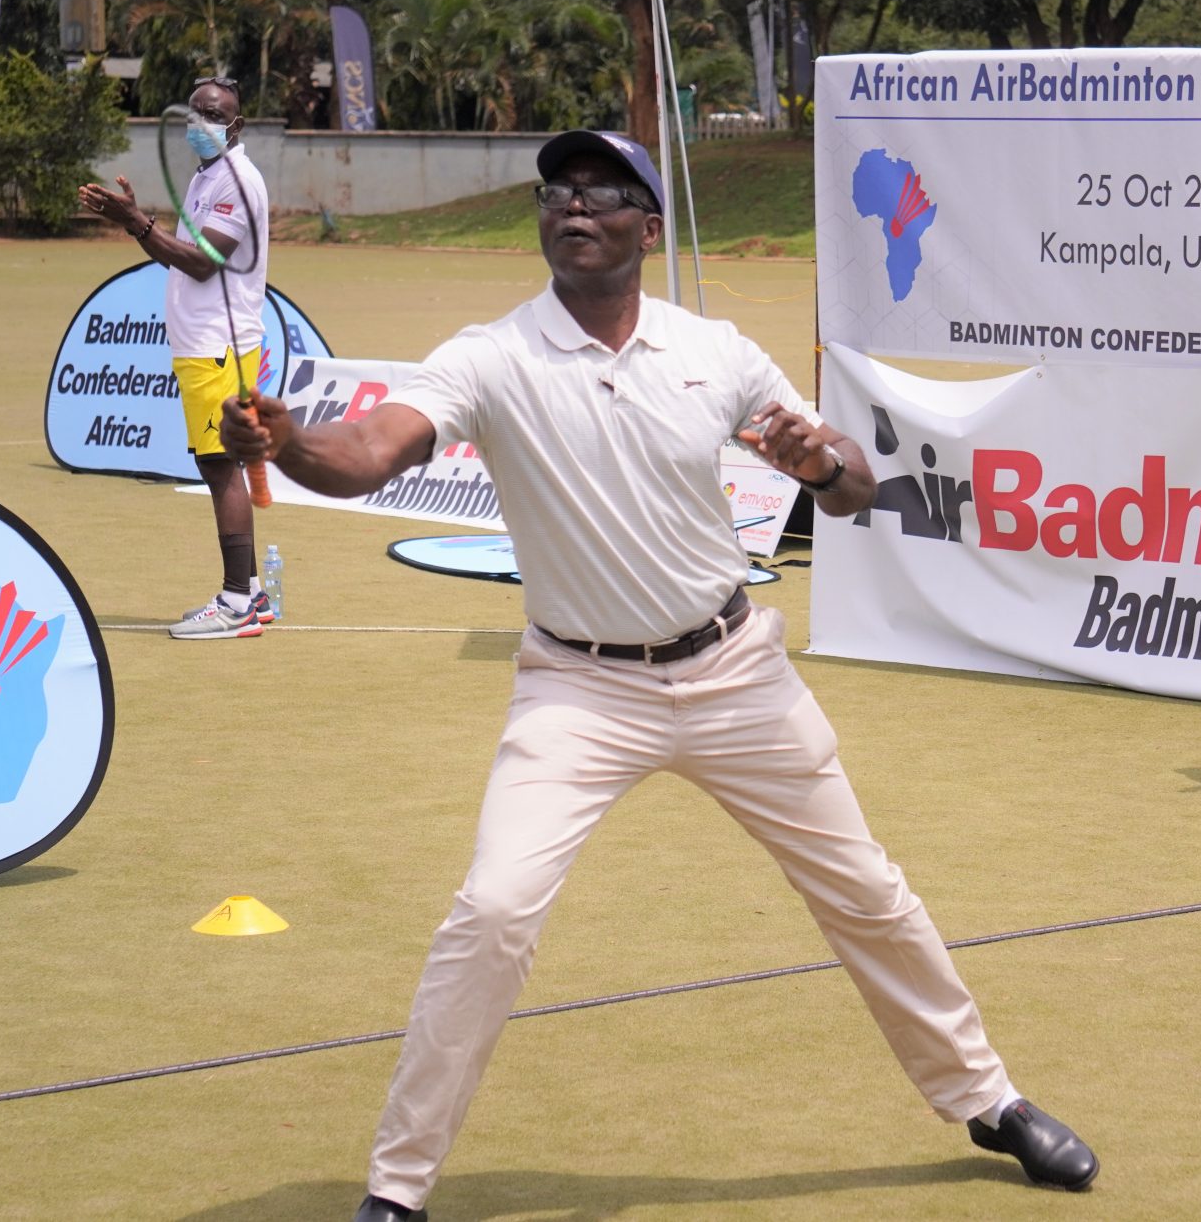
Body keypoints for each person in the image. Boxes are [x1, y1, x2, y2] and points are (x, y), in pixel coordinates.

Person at [219, 130, 1099, 1220]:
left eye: (601, 193)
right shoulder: (490, 356)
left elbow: (854, 486)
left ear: (649, 226)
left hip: (733, 672)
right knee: (491, 913)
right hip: (578, 689)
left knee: (866, 892)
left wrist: (817, 463)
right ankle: (397, 1190)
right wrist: (294, 443)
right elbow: (371, 453)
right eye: (557, 192)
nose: (574, 207)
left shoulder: (714, 350)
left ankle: (986, 1100)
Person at [79, 75, 275, 639]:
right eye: (193, 114)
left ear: (236, 126)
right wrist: (139, 224)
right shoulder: (208, 174)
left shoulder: (237, 180)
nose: (199, 125)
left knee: (220, 466)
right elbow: (182, 254)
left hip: (221, 346)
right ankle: (252, 594)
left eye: (212, 116)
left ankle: (238, 603)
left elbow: (202, 261)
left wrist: (134, 223)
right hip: (205, 344)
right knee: (217, 464)